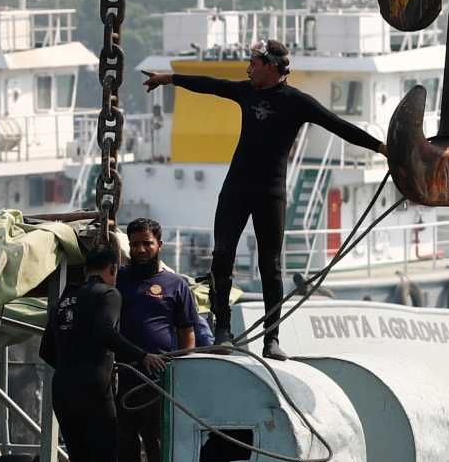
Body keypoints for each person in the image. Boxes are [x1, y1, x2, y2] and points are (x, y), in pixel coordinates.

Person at [145, 39, 385, 360]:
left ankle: (271, 339)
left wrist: (382, 149)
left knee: (270, 267)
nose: (248, 68)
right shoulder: (246, 91)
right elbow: (210, 85)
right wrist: (169, 79)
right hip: (236, 188)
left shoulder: (297, 102)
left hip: (271, 193)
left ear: (271, 66)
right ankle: (223, 329)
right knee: (222, 255)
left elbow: (339, 126)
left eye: (253, 63)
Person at [38, 233, 155, 462]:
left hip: (63, 390)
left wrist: (73, 364)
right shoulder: (109, 294)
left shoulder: (65, 299)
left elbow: (46, 349)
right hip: (96, 389)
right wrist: (140, 355)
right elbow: (106, 332)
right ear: (112, 269)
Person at [115, 217, 206, 462]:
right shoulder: (117, 279)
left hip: (159, 379)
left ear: (160, 245)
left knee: (158, 446)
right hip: (123, 376)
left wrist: (182, 368)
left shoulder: (175, 284)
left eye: (147, 243)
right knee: (125, 445)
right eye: (135, 244)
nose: (141, 249)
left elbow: (186, 331)